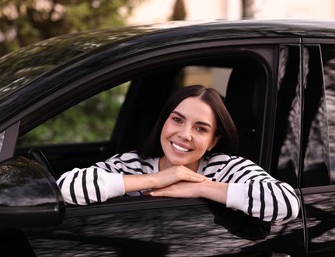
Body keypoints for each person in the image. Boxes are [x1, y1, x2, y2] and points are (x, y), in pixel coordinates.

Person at [57, 85, 300, 223]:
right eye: (177, 120)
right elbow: (66, 188)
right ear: (164, 123)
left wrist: (202, 188)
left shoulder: (226, 168)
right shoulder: (132, 163)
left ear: (213, 141)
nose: (185, 135)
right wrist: (156, 179)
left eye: (200, 128)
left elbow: (287, 204)